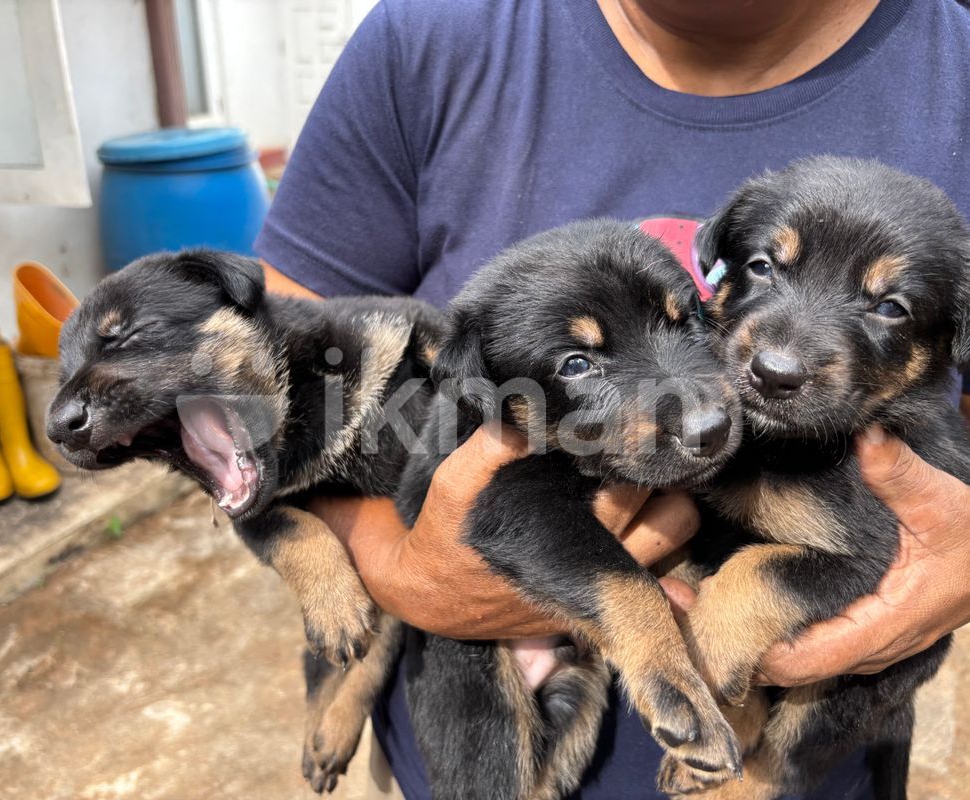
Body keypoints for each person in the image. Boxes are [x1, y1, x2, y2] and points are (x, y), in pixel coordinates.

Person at [255, 1, 970, 797]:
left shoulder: (954, 59)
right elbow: (266, 385)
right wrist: (391, 563)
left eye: (887, 305)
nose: (779, 355)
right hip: (461, 732)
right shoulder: (428, 36)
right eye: (765, 270)